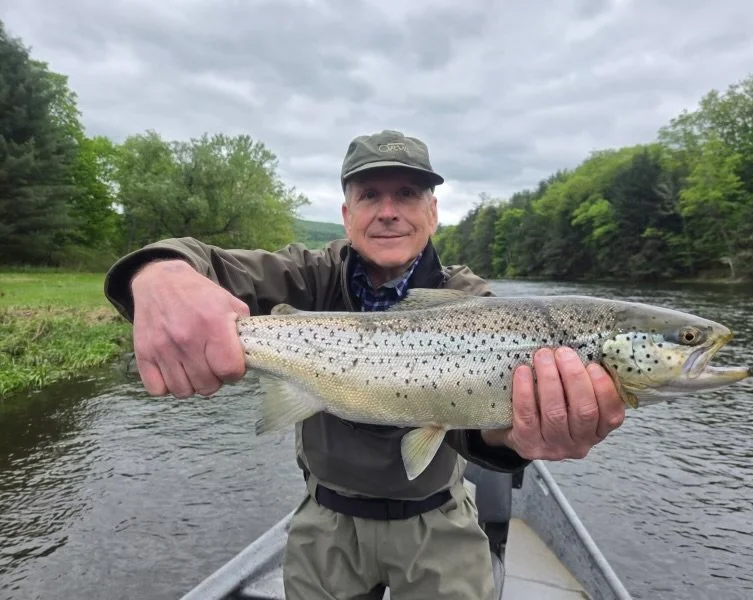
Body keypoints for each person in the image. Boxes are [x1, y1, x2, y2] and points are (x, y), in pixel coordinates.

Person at [104, 129, 626, 600]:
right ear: (346, 212)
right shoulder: (306, 276)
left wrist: (516, 437)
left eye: (406, 194)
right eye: (370, 195)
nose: (388, 210)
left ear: (433, 211)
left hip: (438, 521)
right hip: (325, 523)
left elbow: (479, 434)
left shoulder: (474, 304)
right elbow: (206, 264)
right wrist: (157, 273)